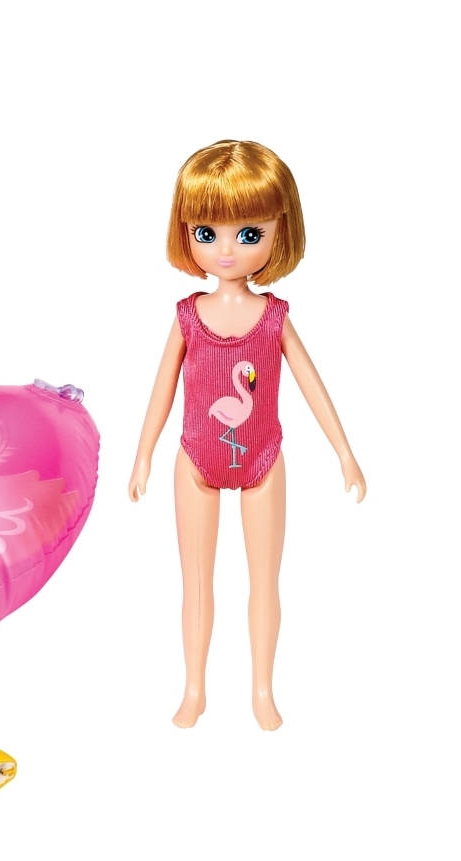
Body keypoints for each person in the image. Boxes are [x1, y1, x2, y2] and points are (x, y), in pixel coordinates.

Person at [128, 140, 365, 731]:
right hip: (196, 459)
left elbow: (311, 383)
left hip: (262, 458)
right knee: (196, 582)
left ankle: (263, 689)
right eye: (207, 233)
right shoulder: (187, 315)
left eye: (249, 233)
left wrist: (345, 452)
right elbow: (162, 389)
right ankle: (194, 689)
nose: (227, 249)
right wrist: (143, 454)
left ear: (279, 232)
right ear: (186, 232)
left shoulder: (275, 317)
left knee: (265, 580)